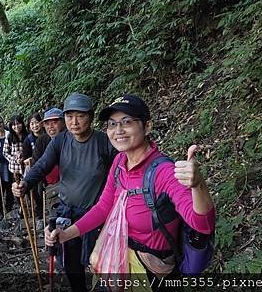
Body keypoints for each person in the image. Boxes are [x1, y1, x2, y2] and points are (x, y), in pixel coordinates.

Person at [45, 95, 215, 288]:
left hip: (153, 273)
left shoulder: (163, 172)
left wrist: (198, 185)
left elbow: (202, 225)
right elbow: (103, 208)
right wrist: (66, 234)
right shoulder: (119, 163)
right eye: (112, 124)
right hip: (120, 261)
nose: (118, 130)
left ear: (147, 126)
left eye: (127, 122)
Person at [12, 93, 118, 292]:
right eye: (69, 116)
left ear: (91, 117)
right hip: (66, 213)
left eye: (80, 116)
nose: (74, 122)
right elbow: (42, 165)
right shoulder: (60, 141)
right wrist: (25, 183)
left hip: (96, 217)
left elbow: (123, 174)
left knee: (99, 263)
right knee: (70, 263)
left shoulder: (105, 143)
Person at [22, 112, 45, 222]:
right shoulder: (28, 140)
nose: (35, 126)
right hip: (36, 169)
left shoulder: (48, 135)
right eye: (32, 124)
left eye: (37, 123)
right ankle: (40, 214)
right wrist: (29, 160)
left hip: (50, 168)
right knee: (37, 192)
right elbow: (25, 157)